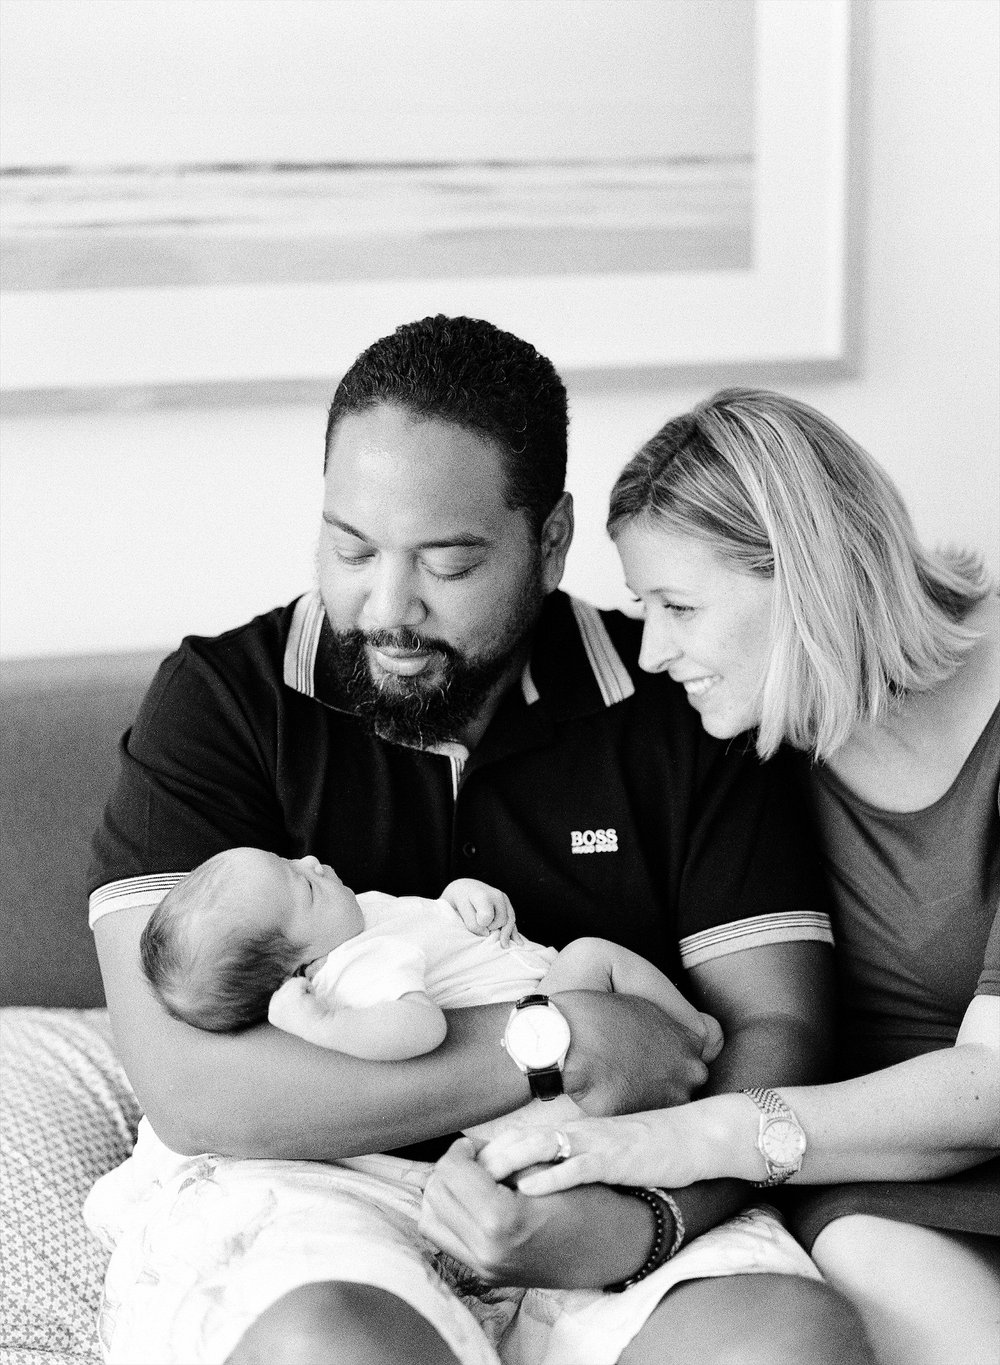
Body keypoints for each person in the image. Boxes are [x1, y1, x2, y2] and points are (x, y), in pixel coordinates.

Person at [88, 322, 871, 1365]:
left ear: (550, 541)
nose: (387, 606)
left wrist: (645, 1217)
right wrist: (555, 1040)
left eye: (448, 562)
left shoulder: (682, 698)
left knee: (784, 1346)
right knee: (332, 1349)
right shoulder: (224, 702)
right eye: (351, 548)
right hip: (309, 1182)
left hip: (617, 1165)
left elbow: (778, 1024)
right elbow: (190, 1088)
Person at [453, 388, 1000, 1365]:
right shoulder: (745, 730)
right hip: (864, 1172)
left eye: (679, 608)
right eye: (642, 610)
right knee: (889, 1270)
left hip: (901, 1127)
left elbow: (993, 1084)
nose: (653, 653)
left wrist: (696, 1137)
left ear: (804, 574)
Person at [138, 848, 722, 1070]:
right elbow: (421, 1027)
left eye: (290, 861)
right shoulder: (356, 966)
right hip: (542, 1041)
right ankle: (698, 1032)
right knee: (593, 955)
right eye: (304, 885)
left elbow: (428, 931)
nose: (312, 861)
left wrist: (459, 897)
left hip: (553, 1020)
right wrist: (325, 1026)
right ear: (301, 971)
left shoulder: (355, 919)